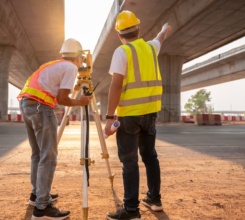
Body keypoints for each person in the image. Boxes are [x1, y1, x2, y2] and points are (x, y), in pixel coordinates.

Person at [103, 10, 171, 220]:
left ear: (118, 34)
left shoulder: (122, 51)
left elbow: (116, 86)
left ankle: (131, 210)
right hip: (150, 114)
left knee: (130, 161)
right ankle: (154, 199)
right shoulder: (150, 48)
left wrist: (108, 117)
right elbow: (160, 38)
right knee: (150, 157)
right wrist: (164, 28)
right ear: (139, 29)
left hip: (129, 116)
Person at [18, 38, 92, 220]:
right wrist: (80, 101)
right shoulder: (71, 67)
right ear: (79, 57)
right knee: (48, 156)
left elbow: (60, 90)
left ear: (62, 54)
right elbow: (63, 99)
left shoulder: (54, 65)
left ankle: (37, 196)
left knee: (38, 154)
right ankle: (42, 208)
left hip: (27, 105)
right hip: (40, 108)